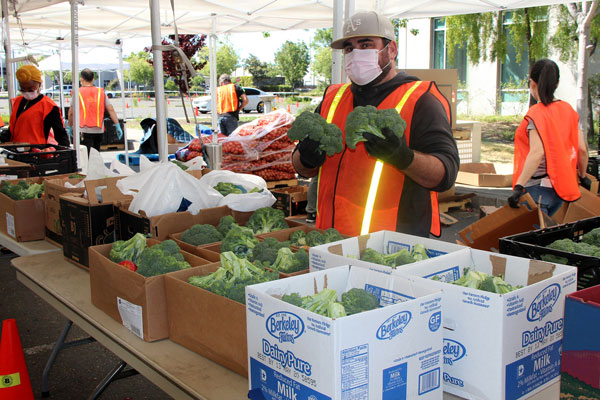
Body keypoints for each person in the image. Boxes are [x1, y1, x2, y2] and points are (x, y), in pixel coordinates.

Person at [292, 10, 459, 238]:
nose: (355, 54)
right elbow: (300, 166)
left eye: (366, 45)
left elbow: (446, 174)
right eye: (349, 48)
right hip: (331, 241)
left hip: (392, 250)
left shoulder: (420, 99)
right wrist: (306, 157)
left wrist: (404, 157)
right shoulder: (332, 98)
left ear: (391, 50)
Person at [508, 59, 589, 216]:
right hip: (559, 191)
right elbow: (581, 149)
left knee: (530, 238)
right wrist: (583, 176)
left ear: (532, 83)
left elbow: (537, 153)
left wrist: (518, 187)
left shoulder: (536, 114)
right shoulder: (569, 111)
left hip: (535, 189)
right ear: (557, 84)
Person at [3, 65, 70, 146]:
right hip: (16, 152)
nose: (27, 92)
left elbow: (60, 134)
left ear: (39, 84)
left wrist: (66, 154)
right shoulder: (17, 102)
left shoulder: (48, 106)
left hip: (37, 153)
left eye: (31, 89)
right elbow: (13, 129)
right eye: (23, 89)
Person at [68, 68, 123, 154]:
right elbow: (110, 109)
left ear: (81, 79)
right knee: (96, 154)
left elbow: (71, 112)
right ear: (93, 79)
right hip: (98, 129)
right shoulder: (100, 92)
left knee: (86, 156)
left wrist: (70, 126)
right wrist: (117, 125)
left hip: (84, 129)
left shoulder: (78, 92)